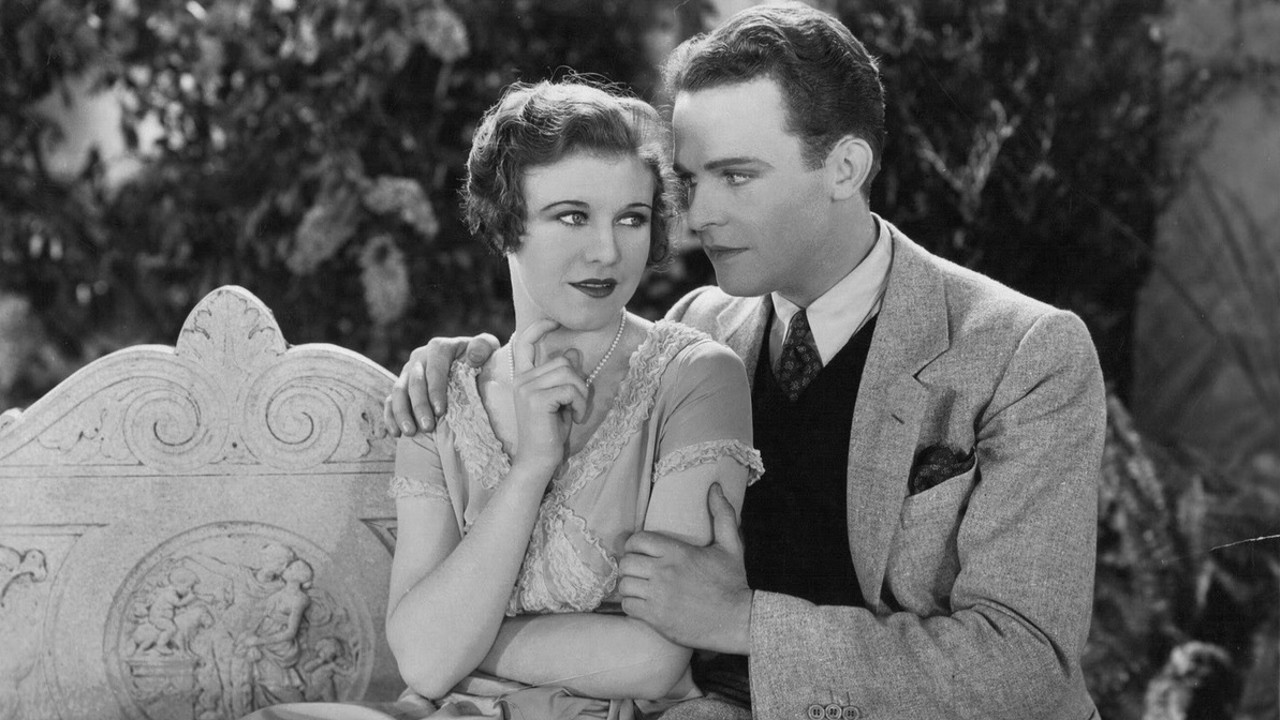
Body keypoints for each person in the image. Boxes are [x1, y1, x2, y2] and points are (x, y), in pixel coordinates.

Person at [383, 3, 1107, 719]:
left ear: (845, 167)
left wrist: (743, 621)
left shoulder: (1023, 352)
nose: (698, 217)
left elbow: (1027, 664)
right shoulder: (699, 327)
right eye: (690, 182)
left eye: (736, 176)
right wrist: (463, 361)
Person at [247, 78, 762, 720]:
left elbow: (655, 658)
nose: (607, 251)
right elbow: (423, 671)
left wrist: (456, 642)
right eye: (572, 216)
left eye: (631, 218)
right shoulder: (441, 395)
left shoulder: (696, 378)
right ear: (504, 225)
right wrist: (530, 469)